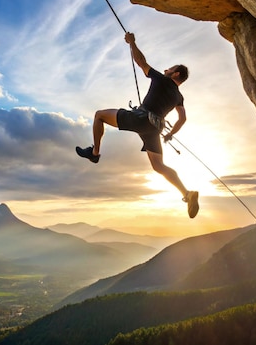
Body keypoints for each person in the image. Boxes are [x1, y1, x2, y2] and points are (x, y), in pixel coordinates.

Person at [76, 32, 200, 218]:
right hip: (155, 128)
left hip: (141, 118)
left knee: (99, 115)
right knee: (158, 166)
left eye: (170, 69)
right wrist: (170, 134)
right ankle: (186, 193)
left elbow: (141, 62)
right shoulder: (179, 97)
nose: (166, 69)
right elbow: (182, 118)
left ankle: (94, 154)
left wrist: (132, 43)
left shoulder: (163, 79)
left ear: (175, 74)